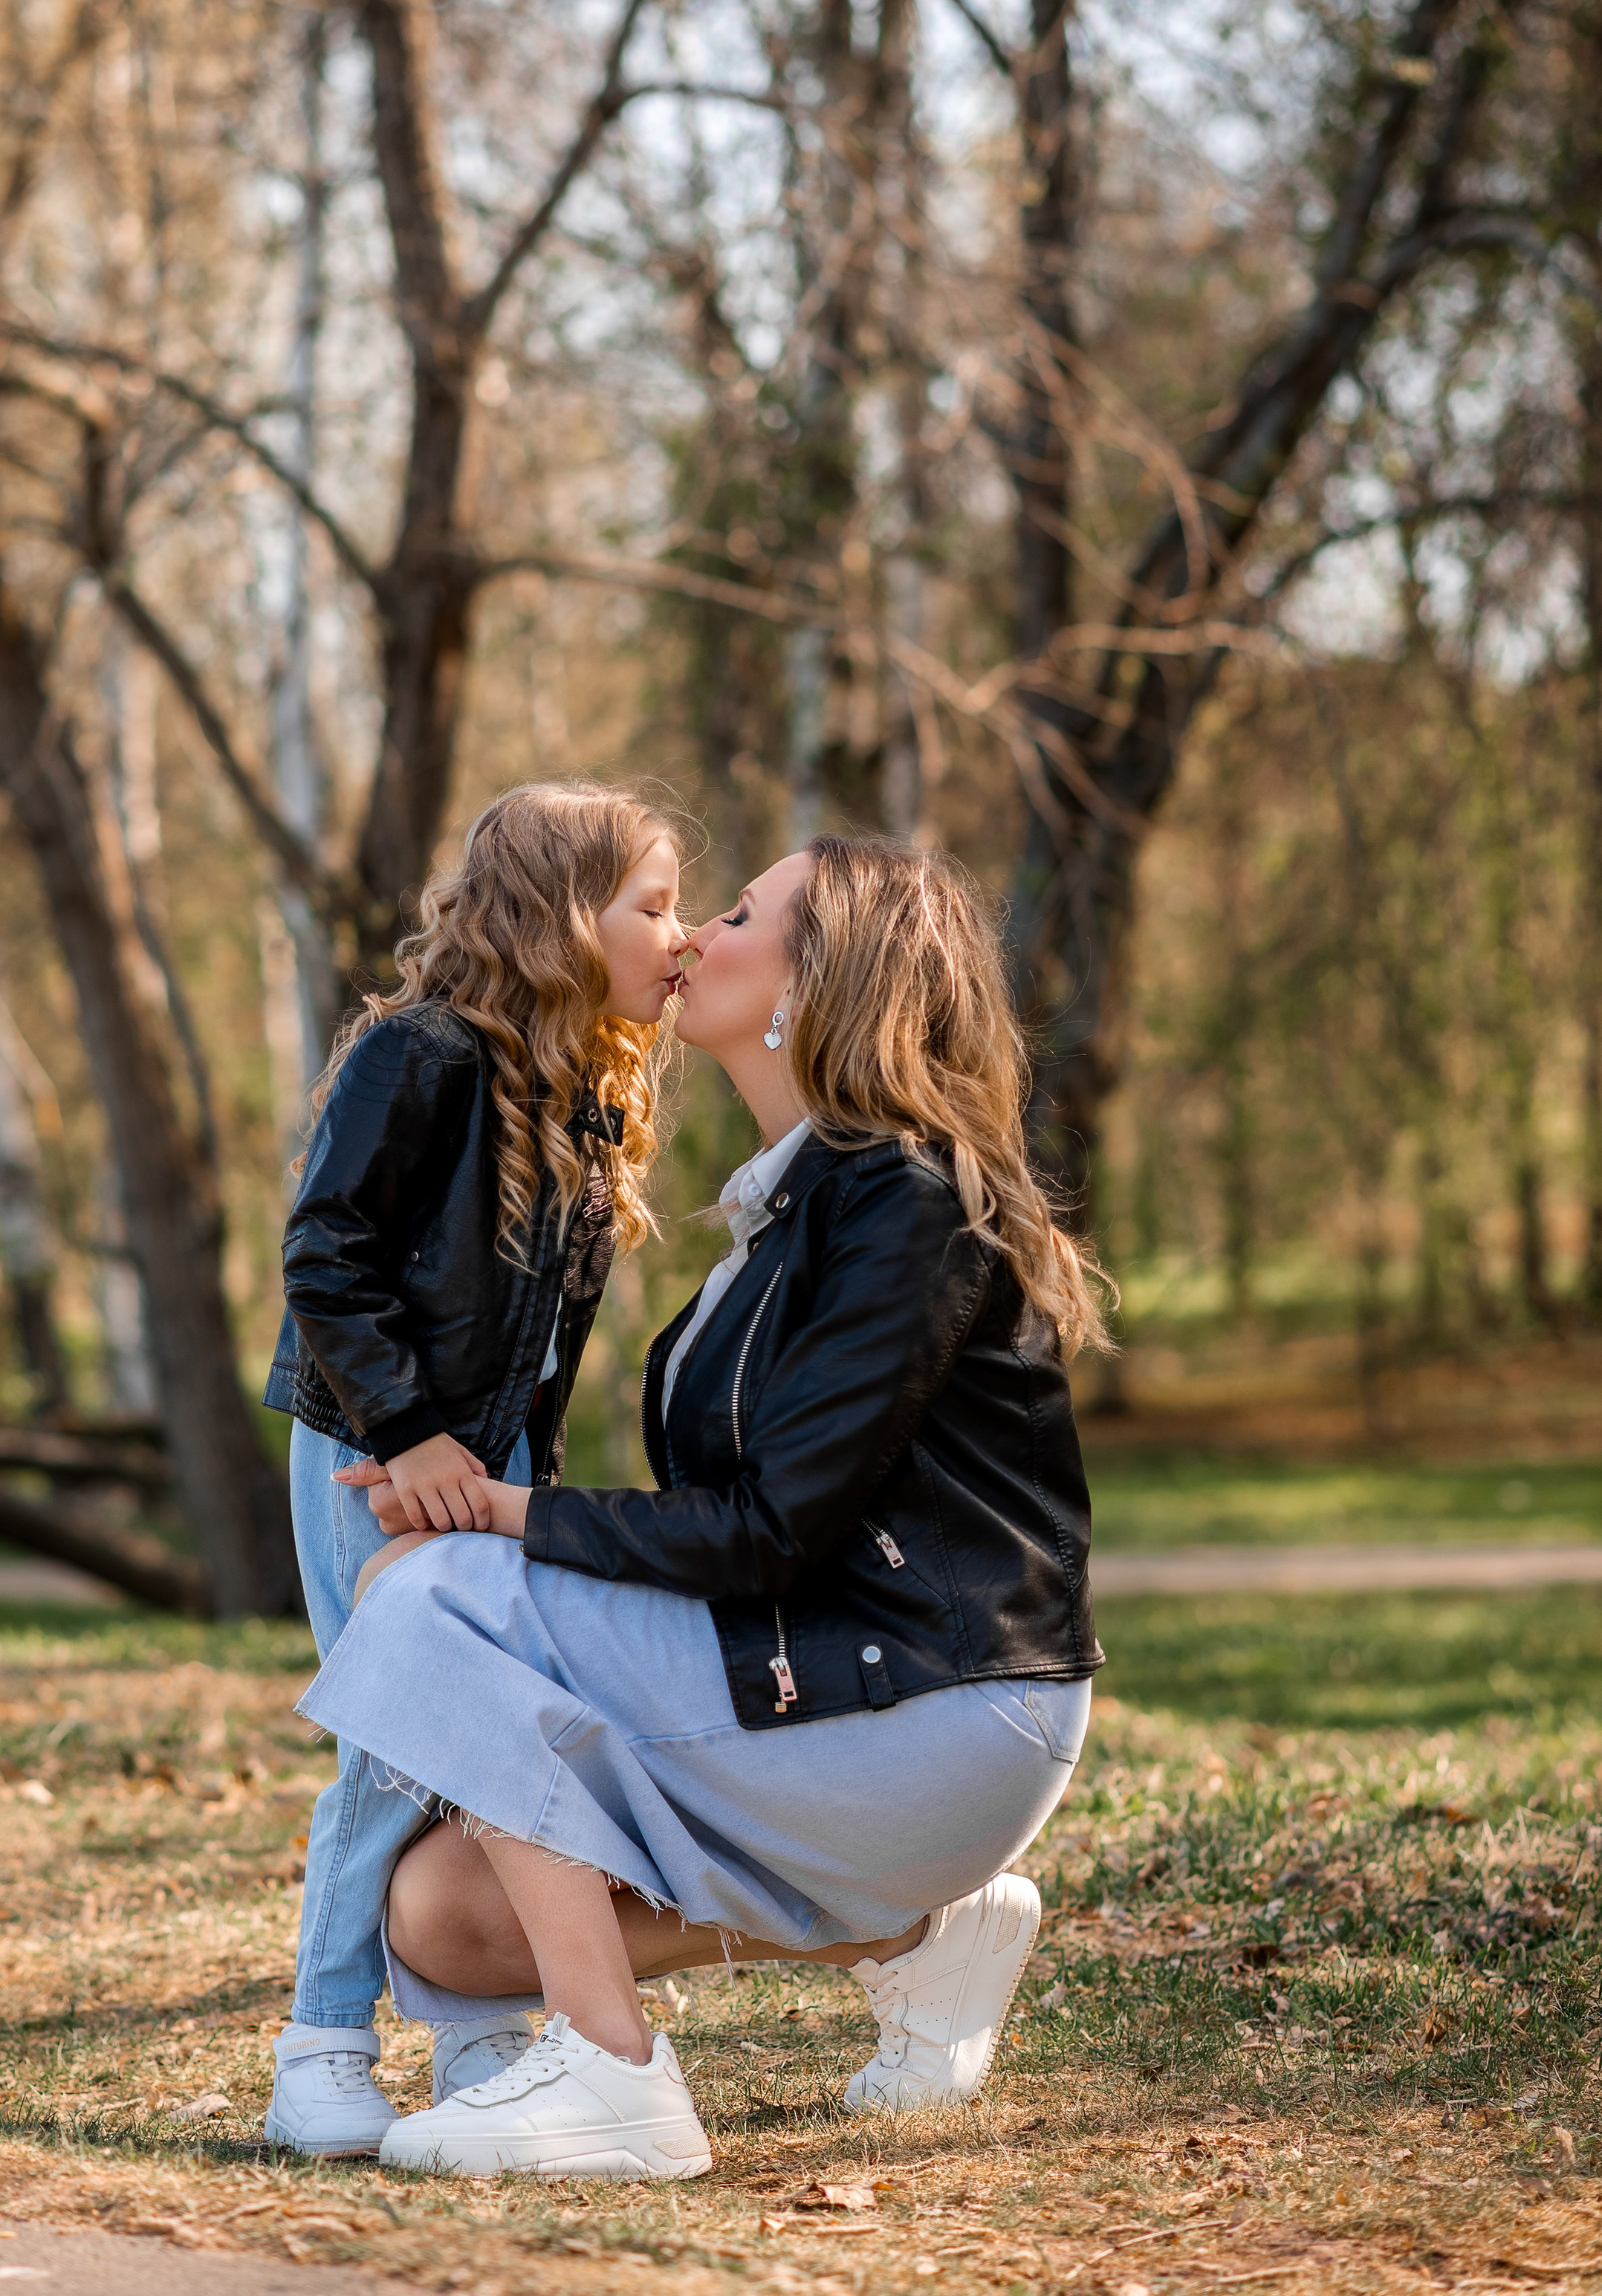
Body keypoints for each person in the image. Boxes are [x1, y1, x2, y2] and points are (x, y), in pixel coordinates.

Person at [302, 833, 1111, 2180]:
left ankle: (614, 2073)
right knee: (442, 1915)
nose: (694, 937)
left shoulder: (902, 1205)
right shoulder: (793, 1210)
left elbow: (770, 1529)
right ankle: (910, 1933)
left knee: (425, 1587)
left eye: (737, 913)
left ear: (813, 980)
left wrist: (506, 1517)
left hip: (945, 1701)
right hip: (815, 1674)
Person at [261, 782, 691, 2157]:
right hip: (367, 1453)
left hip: (483, 1466)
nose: (679, 935)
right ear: (566, 919)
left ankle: (480, 2038)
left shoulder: (587, 1100)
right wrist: (404, 1433)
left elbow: (544, 1353)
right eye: (657, 905)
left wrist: (525, 1492)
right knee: (400, 1746)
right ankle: (319, 2048)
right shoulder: (423, 1053)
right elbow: (323, 1253)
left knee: (490, 1748)